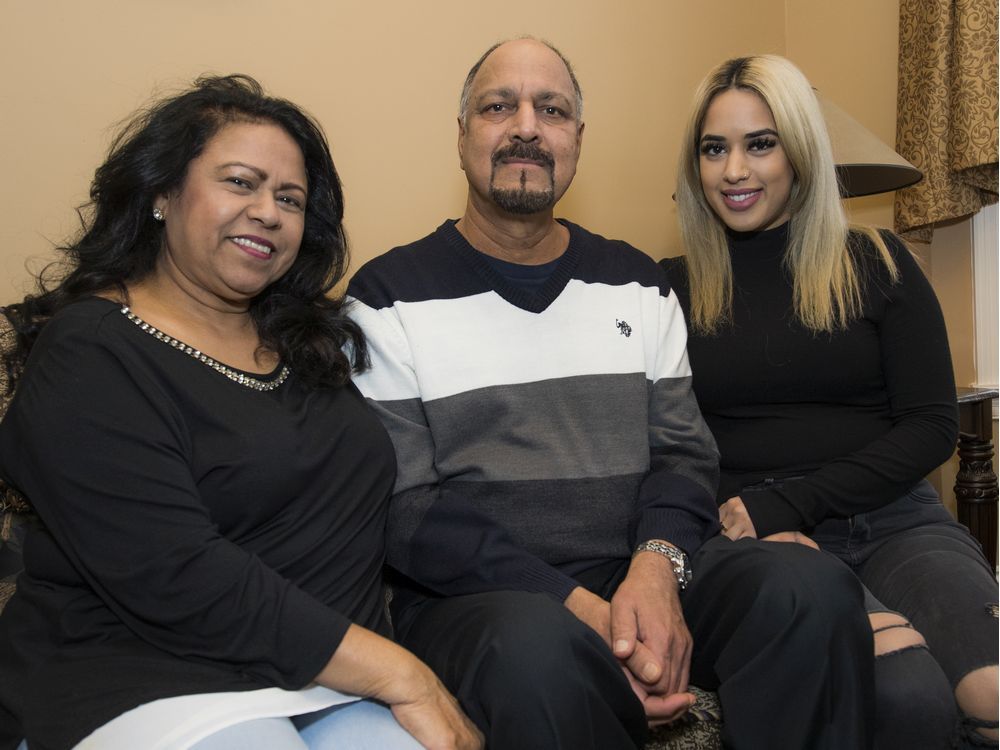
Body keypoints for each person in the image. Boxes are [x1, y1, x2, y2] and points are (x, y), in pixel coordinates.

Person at [348, 38, 881, 750]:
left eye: (553, 109)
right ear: (463, 134)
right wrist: (582, 610)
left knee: (807, 590)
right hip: (480, 600)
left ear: (576, 139)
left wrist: (656, 566)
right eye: (498, 106)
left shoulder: (637, 281)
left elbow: (686, 457)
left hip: (637, 566)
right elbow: (405, 508)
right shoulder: (386, 299)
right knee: (535, 651)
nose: (527, 127)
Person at [0, 75, 481, 750]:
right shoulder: (91, 350)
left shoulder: (305, 345)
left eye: (290, 198)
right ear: (164, 193)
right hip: (141, 679)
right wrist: (404, 674)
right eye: (239, 182)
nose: (268, 212)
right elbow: (175, 574)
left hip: (323, 679)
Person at [662, 54, 999, 749]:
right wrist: (766, 519)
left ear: (801, 152)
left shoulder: (879, 262)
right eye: (714, 149)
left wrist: (798, 498)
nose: (735, 171)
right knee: (908, 700)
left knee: (991, 691)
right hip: (758, 536)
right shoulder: (670, 289)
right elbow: (666, 444)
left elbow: (934, 426)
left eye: (761, 143)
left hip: (895, 520)